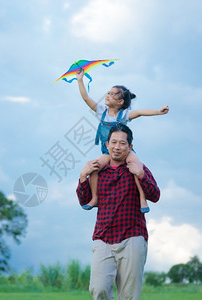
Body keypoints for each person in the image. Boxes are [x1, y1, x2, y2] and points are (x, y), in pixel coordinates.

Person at [76, 123, 160, 300]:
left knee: (128, 295)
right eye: (113, 142)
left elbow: (155, 195)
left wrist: (141, 175)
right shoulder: (98, 170)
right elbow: (84, 201)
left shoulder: (137, 167)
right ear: (106, 145)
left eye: (122, 143)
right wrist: (83, 175)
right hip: (103, 237)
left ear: (130, 147)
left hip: (132, 237)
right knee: (98, 289)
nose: (117, 147)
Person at [77, 68, 168, 213]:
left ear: (120, 102)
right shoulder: (101, 111)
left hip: (126, 151)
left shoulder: (124, 114)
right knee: (94, 166)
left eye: (113, 95)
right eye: (108, 93)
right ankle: (95, 198)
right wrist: (80, 80)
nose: (108, 95)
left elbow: (140, 112)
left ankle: (142, 199)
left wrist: (158, 111)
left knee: (135, 165)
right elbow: (86, 98)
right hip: (108, 152)